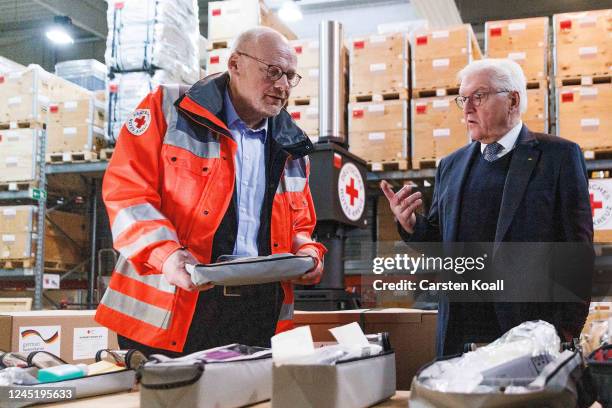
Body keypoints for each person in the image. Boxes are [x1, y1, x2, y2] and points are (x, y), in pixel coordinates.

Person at [95, 27, 326, 356]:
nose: (283, 86)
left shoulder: (292, 144)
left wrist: (308, 254)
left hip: (258, 315)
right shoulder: (168, 108)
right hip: (174, 307)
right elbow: (127, 193)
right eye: (273, 72)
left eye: (290, 76)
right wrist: (167, 255)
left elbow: (300, 224)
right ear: (235, 64)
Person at [381, 58, 593, 356]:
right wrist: (412, 225)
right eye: (463, 99)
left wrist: (562, 332)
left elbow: (577, 254)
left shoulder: (558, 156)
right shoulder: (451, 166)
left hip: (528, 333)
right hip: (459, 334)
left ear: (513, 100)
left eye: (478, 97)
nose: (467, 108)